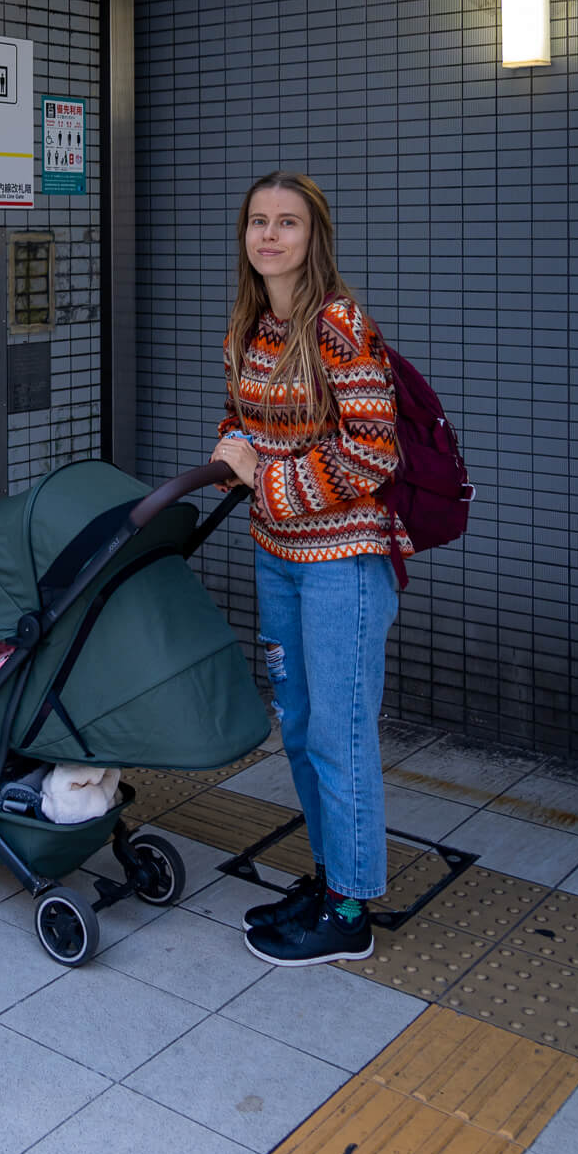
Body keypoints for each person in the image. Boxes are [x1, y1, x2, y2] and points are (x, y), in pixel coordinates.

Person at [210, 171, 408, 967]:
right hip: (278, 558)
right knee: (296, 723)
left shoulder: (339, 325)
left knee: (340, 732)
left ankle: (351, 910)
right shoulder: (252, 327)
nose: (269, 236)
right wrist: (229, 453)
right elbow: (242, 419)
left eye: (287, 223)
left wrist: (270, 481)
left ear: (312, 237)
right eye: (258, 221)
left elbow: (373, 449)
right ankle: (330, 879)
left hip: (345, 564)